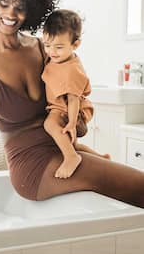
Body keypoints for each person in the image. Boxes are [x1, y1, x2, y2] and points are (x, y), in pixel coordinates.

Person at [0, 0, 144, 230]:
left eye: (21, 6)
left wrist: (77, 118)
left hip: (62, 151)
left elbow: (70, 92)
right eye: (4, 3)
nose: (11, 14)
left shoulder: (42, 48)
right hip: (32, 168)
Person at [41, 9, 110, 179]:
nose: (52, 52)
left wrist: (71, 123)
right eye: (47, 45)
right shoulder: (58, 58)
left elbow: (73, 100)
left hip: (69, 109)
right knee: (72, 145)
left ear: (75, 45)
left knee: (50, 125)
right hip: (61, 106)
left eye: (58, 47)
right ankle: (102, 158)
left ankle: (71, 158)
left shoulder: (72, 70)